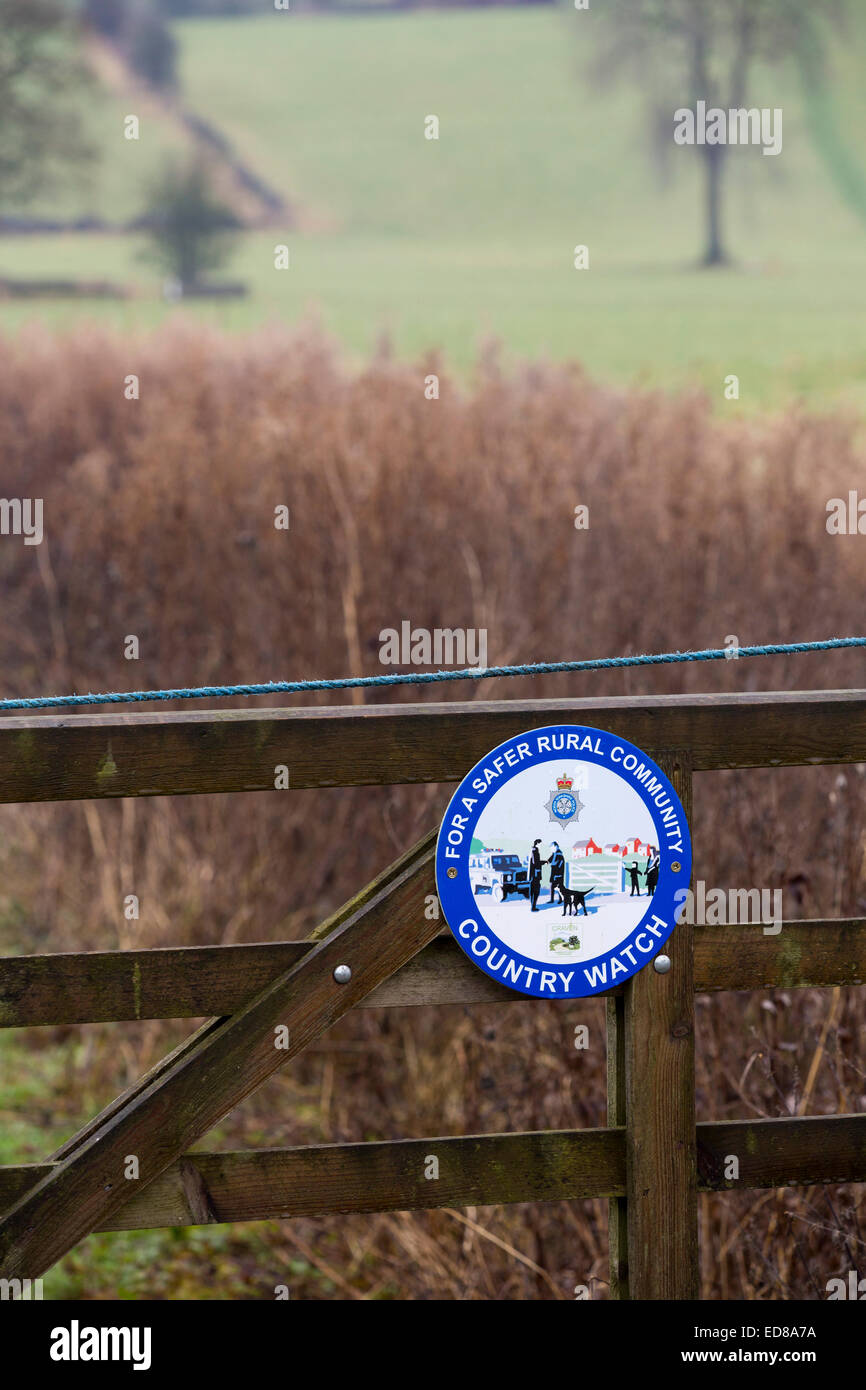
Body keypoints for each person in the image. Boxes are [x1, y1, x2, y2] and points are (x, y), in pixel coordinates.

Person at [529, 839, 548, 911]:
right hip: (535, 875)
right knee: (536, 891)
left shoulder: (533, 850)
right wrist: (544, 862)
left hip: (533, 875)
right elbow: (536, 863)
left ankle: (533, 905)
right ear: (537, 844)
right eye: (540, 844)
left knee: (533, 890)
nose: (541, 845)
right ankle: (533, 907)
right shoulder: (535, 851)